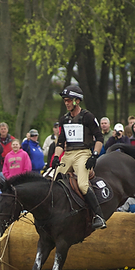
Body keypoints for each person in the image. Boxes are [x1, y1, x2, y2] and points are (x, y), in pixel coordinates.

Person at [51, 84, 106, 230]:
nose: (67, 103)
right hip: (67, 154)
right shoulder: (64, 119)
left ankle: (98, 216)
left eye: (69, 100)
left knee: (82, 184)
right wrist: (56, 157)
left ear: (77, 101)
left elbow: (99, 137)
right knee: (53, 182)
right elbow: (61, 142)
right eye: (65, 100)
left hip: (83, 153)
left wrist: (94, 155)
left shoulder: (87, 116)